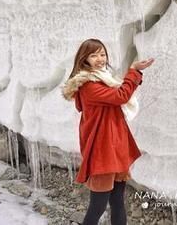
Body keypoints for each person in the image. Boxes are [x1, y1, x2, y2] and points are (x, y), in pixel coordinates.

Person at [62, 38, 154, 225]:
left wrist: (134, 72)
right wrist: (134, 71)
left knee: (118, 202)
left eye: (102, 54)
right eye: (93, 55)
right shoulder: (89, 86)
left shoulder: (103, 80)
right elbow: (121, 96)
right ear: (84, 59)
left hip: (113, 149)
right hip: (102, 154)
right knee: (98, 206)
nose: (100, 59)